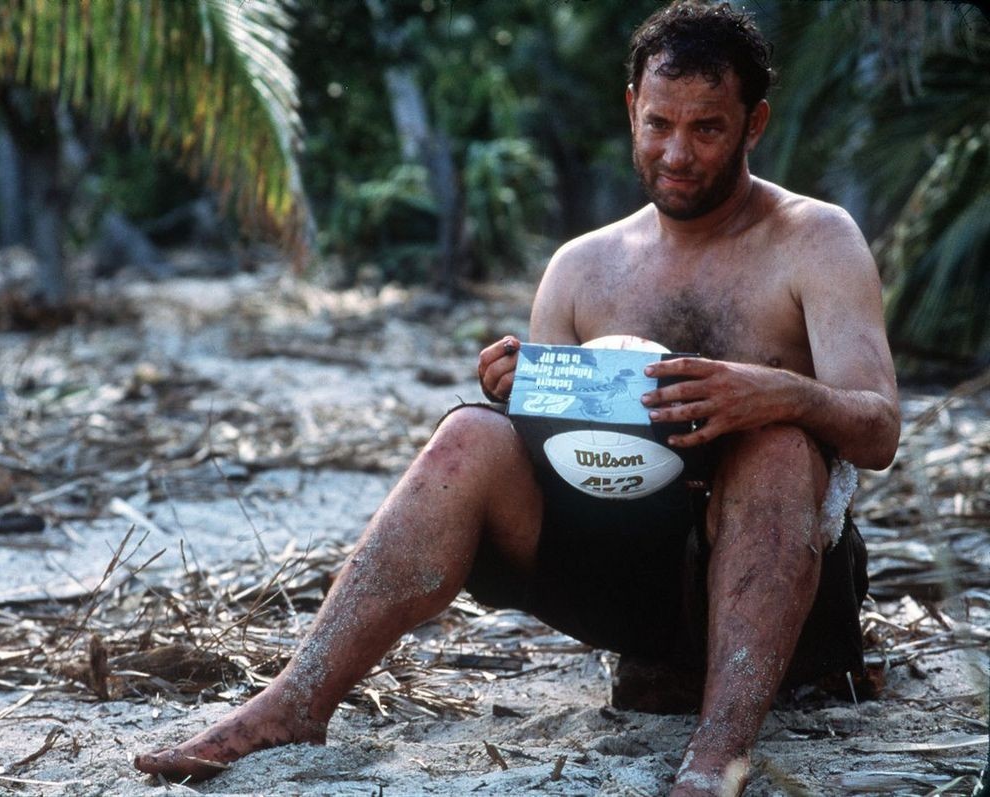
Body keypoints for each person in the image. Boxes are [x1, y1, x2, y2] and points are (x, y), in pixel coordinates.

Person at [134, 2, 900, 794]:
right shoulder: (582, 268)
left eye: (707, 128)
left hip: (791, 603)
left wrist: (767, 394)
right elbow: (561, 465)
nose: (677, 151)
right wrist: (521, 395)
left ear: (755, 123)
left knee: (776, 444)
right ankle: (296, 700)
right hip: (633, 592)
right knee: (470, 435)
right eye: (660, 122)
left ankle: (716, 759)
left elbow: (878, 430)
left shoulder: (816, 239)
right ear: (631, 107)